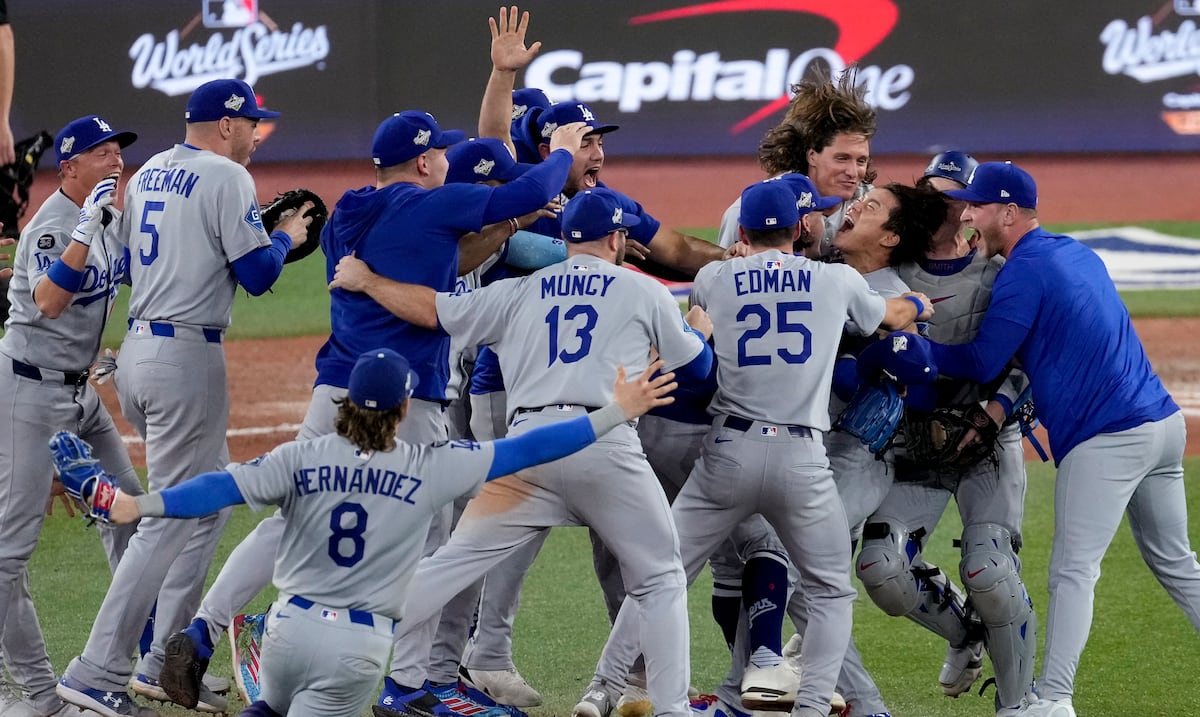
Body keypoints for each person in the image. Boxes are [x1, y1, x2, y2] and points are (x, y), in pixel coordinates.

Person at [155, 113, 586, 716]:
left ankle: (201, 629)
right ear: (423, 162)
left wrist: (508, 223)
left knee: (292, 515)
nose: (444, 158)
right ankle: (408, 682)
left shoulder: (352, 210)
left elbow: (442, 260)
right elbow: (534, 191)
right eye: (439, 151)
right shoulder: (430, 206)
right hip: (401, 402)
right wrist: (561, 151)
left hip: (335, 386)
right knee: (430, 532)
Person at [58, 348, 678, 717]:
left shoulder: (300, 458)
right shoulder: (432, 466)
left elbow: (215, 487)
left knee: (269, 707)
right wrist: (616, 411)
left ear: (345, 402)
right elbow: (532, 444)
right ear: (408, 409)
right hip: (357, 650)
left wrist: (135, 506)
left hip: (285, 632)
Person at [328, 185, 715, 717]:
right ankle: (672, 708)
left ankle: (330, 630)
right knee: (660, 576)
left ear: (564, 239)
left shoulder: (521, 291)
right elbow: (697, 372)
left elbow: (434, 311)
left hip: (526, 450)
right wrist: (696, 329)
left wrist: (368, 280)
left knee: (450, 565)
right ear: (618, 239)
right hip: (604, 445)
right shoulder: (641, 289)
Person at [581, 180, 933, 717]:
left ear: (742, 232)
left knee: (661, 574)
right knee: (831, 594)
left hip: (727, 451)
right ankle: (813, 708)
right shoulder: (835, 279)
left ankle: (601, 691)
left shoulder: (713, 278)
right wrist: (914, 302)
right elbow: (890, 318)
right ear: (798, 229)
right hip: (802, 459)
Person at [869, 161, 1200, 717]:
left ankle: (1052, 698)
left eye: (977, 205)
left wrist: (913, 352)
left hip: (1109, 438)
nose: (968, 213)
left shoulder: (1023, 271)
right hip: (1163, 427)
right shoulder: (1070, 251)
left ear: (1010, 213)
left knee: (1072, 572)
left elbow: (982, 359)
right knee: (1177, 564)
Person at [56, 79, 313, 717]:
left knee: (209, 505)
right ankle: (99, 668)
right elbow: (256, 275)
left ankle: (159, 660)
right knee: (166, 518)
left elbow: (150, 263)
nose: (258, 133)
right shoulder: (227, 178)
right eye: (253, 123)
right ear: (226, 125)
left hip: (142, 352)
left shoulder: (146, 176)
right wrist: (283, 236)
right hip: (185, 358)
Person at [855, 152, 1038, 717]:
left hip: (991, 444)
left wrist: (998, 410)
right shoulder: (890, 278)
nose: (940, 203)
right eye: (929, 192)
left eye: (954, 195)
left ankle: (1020, 704)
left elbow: (1031, 354)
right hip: (917, 444)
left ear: (970, 209)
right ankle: (964, 634)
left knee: (990, 570)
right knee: (881, 569)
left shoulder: (999, 273)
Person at [0, 115, 142, 717]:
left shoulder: (106, 219)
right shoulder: (53, 228)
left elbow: (134, 275)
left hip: (81, 395)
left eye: (118, 152)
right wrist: (87, 224)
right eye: (102, 152)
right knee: (8, 555)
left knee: (133, 519)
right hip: (29, 396)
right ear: (70, 168)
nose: (116, 162)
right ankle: (38, 693)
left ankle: (114, 665)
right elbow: (51, 302)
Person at [718, 68, 876, 255]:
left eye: (861, 161)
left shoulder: (874, 211)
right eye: (842, 159)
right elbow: (723, 278)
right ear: (812, 156)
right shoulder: (753, 211)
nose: (852, 172)